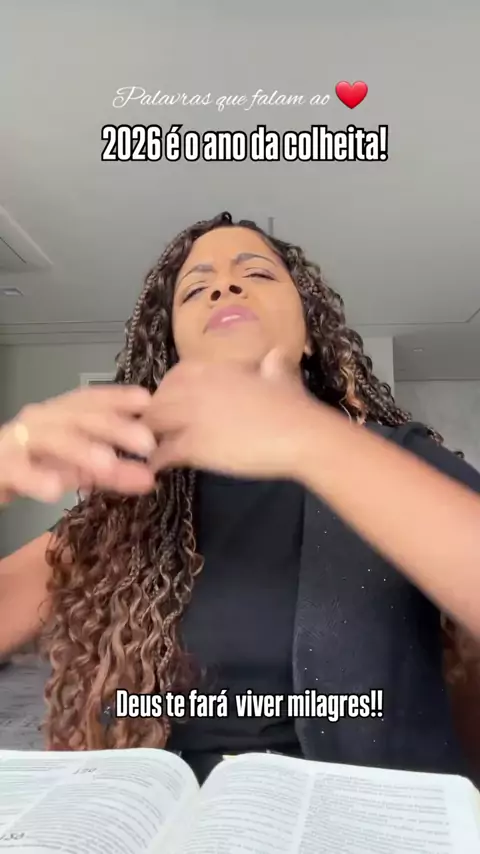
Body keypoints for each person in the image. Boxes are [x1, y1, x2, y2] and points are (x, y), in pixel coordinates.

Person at [0, 210, 480, 785]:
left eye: (257, 274)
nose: (224, 287)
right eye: (195, 288)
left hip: (368, 814)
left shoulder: (396, 456)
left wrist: (309, 438)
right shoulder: (130, 503)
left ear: (308, 336)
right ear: (174, 349)